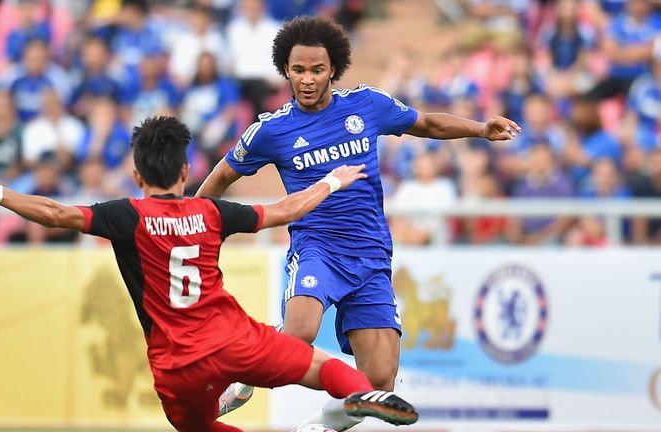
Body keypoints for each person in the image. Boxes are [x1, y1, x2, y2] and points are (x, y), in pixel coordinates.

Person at [0, 116, 418, 432]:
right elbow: (282, 211)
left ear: (138, 176)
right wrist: (332, 181)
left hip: (175, 364)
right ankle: (360, 398)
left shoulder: (126, 215)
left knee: (197, 428)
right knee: (326, 368)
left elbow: (56, 213)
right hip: (233, 339)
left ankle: (344, 407)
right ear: (185, 170)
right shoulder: (211, 212)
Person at [196, 16, 520, 430]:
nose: (308, 79)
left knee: (380, 380)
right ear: (286, 71)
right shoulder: (271, 130)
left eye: (317, 69)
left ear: (333, 68)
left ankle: (320, 427)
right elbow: (222, 176)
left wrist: (480, 129)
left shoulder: (367, 105)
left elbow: (426, 124)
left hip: (370, 256)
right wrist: (188, 220)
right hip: (317, 247)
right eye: (298, 70)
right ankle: (241, 377)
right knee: (298, 334)